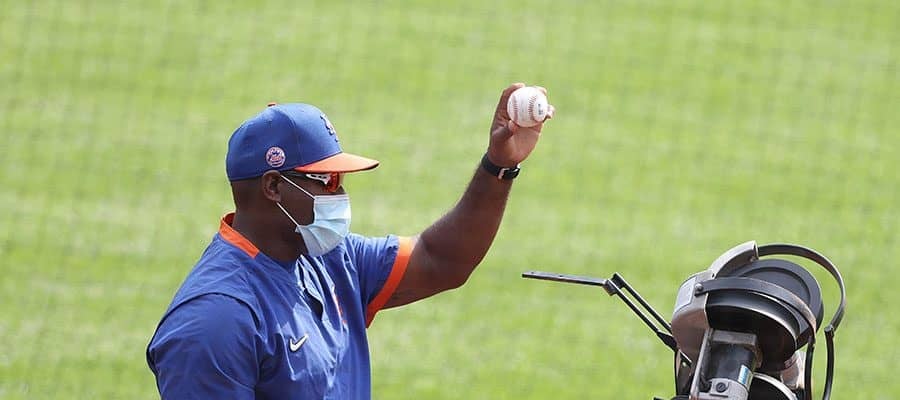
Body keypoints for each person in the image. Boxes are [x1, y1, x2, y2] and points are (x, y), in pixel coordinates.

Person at [146, 83, 554, 399]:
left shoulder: (327, 258)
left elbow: (441, 260)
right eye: (326, 181)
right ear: (273, 187)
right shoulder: (216, 321)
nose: (339, 195)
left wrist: (499, 165)